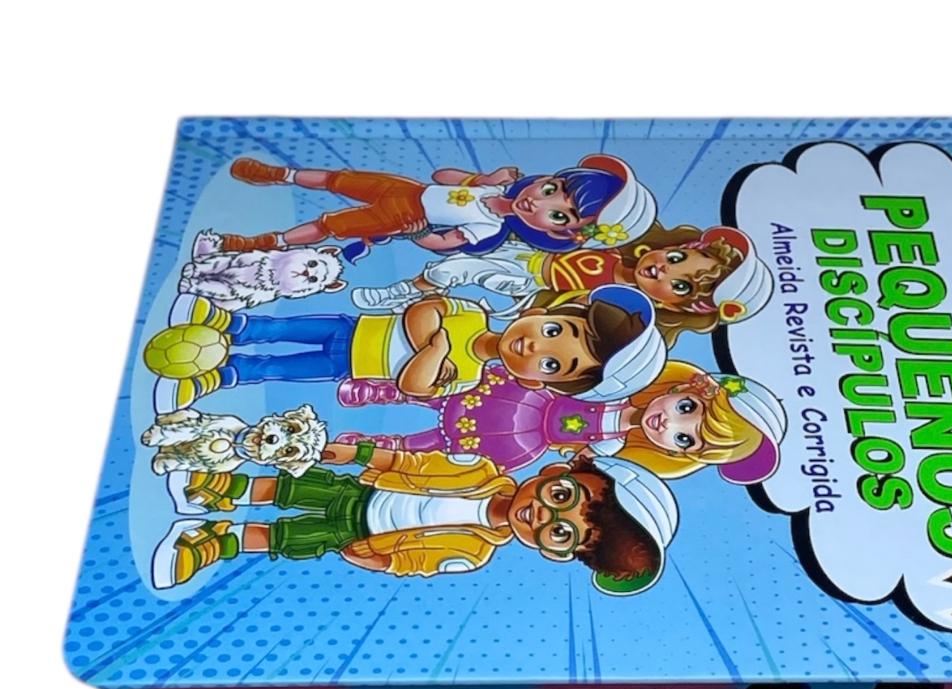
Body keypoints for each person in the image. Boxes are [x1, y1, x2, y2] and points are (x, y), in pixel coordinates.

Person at [154, 445, 678, 597]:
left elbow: (419, 564)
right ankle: (225, 489)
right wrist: (360, 453)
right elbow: (412, 462)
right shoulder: (479, 469)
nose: (541, 515)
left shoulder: (473, 554)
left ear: (555, 552)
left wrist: (382, 561)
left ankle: (219, 541)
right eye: (560, 496)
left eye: (560, 531)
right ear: (553, 472)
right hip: (363, 489)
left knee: (294, 539)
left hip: (362, 533)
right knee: (295, 487)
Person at [152, 285, 666, 413]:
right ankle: (233, 324)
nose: (536, 344)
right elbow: (423, 310)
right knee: (285, 326)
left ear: (535, 380)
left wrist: (435, 352)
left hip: (346, 363)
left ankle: (228, 374)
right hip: (353, 327)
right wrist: (433, 344)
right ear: (543, 309)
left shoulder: (467, 376)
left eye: (552, 362)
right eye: (554, 329)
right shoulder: (473, 314)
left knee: (281, 370)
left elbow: (412, 385)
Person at [336, 362, 787, 483]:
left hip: (529, 441)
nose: (668, 423)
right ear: (683, 387)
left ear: (676, 453)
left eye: (684, 439)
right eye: (686, 409)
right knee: (453, 393)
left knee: (446, 442)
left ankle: (382, 443)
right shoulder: (620, 381)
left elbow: (589, 460)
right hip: (530, 399)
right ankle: (385, 392)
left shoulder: (618, 449)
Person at [352, 225, 774, 347]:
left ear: (678, 309)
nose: (664, 269)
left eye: (679, 286)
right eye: (676, 258)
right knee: (462, 252)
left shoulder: (618, 309)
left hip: (530, 285)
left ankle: (402, 298)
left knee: (460, 272)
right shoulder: (620, 245)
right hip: (530, 255)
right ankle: (405, 275)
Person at [212, 154, 656, 257]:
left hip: (406, 214)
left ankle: (265, 242)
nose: (539, 201)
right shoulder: (497, 186)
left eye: (558, 214)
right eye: (552, 188)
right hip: (405, 189)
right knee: (336, 179)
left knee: (331, 225)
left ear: (556, 231)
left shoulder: (489, 230)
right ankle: (279, 174)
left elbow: (444, 243)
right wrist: (483, 180)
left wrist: (418, 233)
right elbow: (443, 176)